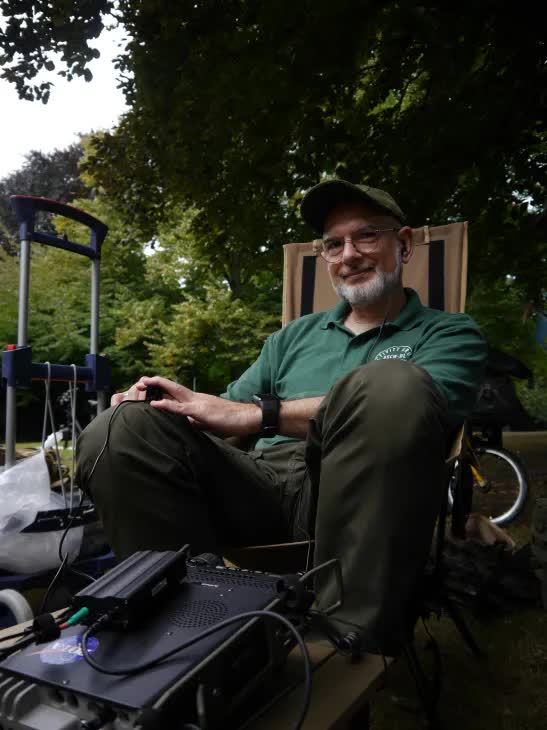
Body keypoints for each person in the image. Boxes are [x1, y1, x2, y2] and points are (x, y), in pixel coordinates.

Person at [76, 180, 487, 654]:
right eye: (333, 244)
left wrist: (262, 416)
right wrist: (165, 408)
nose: (349, 255)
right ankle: (189, 634)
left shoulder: (450, 334)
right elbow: (227, 415)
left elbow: (424, 411)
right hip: (261, 489)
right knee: (122, 428)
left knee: (392, 385)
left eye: (367, 236)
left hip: (355, 495)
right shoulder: (292, 338)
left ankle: (337, 647)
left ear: (406, 244)